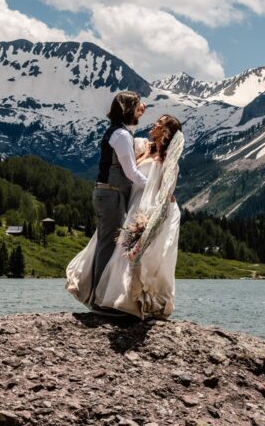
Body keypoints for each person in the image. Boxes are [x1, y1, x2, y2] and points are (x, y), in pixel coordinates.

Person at [67, 111, 184, 320]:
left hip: (147, 209)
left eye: (158, 124)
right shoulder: (142, 148)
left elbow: (166, 188)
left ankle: (134, 300)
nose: (153, 125)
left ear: (165, 132)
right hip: (131, 204)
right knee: (119, 250)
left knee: (142, 254)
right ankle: (115, 299)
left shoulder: (168, 161)